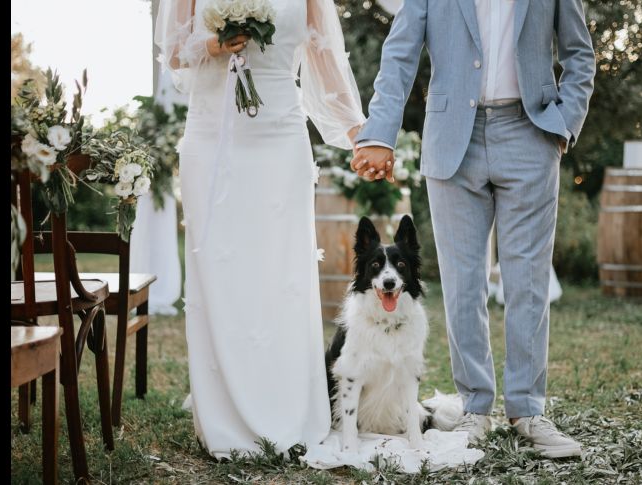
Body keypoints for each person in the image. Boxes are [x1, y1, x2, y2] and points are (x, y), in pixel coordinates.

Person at [351, 0, 596, 458]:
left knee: (528, 280)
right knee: (463, 283)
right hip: (452, 137)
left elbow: (580, 52)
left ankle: (528, 411)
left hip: (531, 132)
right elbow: (400, 51)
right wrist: (380, 133)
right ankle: (475, 408)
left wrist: (565, 122)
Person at [155, 0, 365, 459]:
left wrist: (360, 135)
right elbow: (172, 50)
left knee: (281, 275)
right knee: (221, 273)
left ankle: (288, 409)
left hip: (280, 134)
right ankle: (225, 416)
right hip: (211, 135)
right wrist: (213, 44)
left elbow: (324, 57)